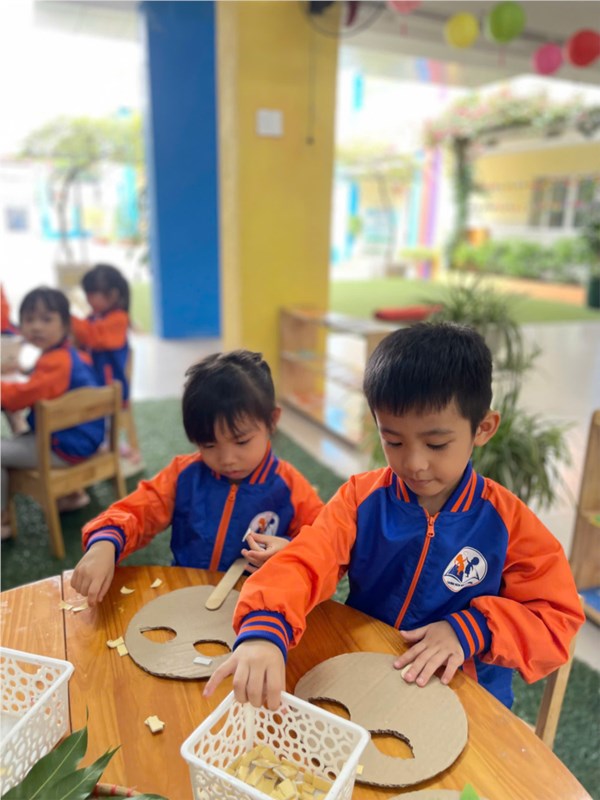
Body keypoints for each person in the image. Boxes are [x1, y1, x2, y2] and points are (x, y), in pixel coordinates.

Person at [204, 322, 585, 711]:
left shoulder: (509, 523)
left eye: (436, 444)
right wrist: (264, 627)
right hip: (363, 671)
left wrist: (471, 629)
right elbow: (308, 559)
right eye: (394, 441)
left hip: (462, 695)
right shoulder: (361, 497)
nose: (414, 463)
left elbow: (555, 619)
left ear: (483, 428)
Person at [71, 349, 324, 607]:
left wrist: (290, 550)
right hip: (186, 594)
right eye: (209, 445)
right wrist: (105, 543)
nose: (227, 459)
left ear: (272, 421)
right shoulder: (184, 475)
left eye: (241, 441)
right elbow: (137, 512)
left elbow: (325, 544)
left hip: (256, 606)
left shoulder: (290, 488)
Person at [1, 288, 105, 540]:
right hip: (85, 439)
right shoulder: (71, 354)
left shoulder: (55, 362)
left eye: (46, 319)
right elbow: (42, 385)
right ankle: (72, 494)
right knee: (21, 432)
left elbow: (16, 399)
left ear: (65, 325)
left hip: (63, 447)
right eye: (29, 319)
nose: (36, 326)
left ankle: (2, 520)